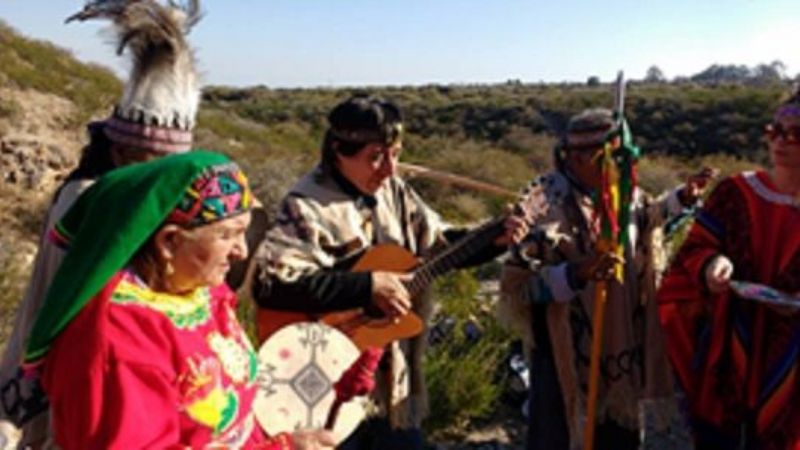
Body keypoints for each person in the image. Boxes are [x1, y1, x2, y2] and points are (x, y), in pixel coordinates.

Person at [248, 94, 528, 450]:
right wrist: (366, 286)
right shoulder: (306, 205)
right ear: (338, 150)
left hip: (391, 381)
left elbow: (440, 246)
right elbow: (271, 285)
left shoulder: (393, 191)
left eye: (395, 155)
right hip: (323, 378)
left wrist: (493, 240)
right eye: (376, 157)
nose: (389, 169)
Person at [19, 151, 336, 449]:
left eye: (244, 232)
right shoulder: (119, 342)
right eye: (227, 235)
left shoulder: (198, 286)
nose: (241, 251)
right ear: (169, 242)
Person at [0, 1, 205, 447]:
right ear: (119, 153)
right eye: (150, 165)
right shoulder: (88, 200)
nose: (159, 182)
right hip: (76, 377)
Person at [498, 108, 714, 449]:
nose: (580, 162)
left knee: (618, 435)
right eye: (574, 153)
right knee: (562, 435)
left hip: (621, 353)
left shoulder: (625, 195)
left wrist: (682, 199)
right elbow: (517, 286)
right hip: (564, 355)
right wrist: (575, 272)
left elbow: (648, 220)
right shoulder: (544, 199)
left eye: (593, 154)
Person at [657, 90, 800, 449]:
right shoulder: (736, 193)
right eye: (775, 130)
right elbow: (694, 250)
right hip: (727, 350)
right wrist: (711, 264)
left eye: (795, 134)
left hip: (791, 361)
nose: (781, 142)